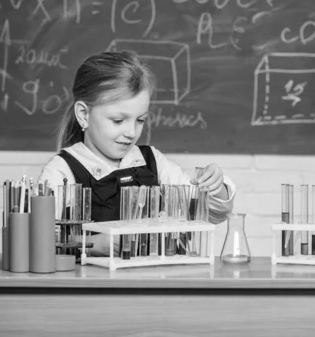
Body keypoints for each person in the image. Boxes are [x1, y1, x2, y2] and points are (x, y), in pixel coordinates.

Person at [38, 50, 236, 255]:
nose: (131, 132)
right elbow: (38, 238)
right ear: (83, 114)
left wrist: (215, 186)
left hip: (156, 282)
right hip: (95, 285)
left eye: (140, 120)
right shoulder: (62, 171)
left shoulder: (153, 162)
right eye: (118, 121)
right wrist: (93, 243)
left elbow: (214, 214)